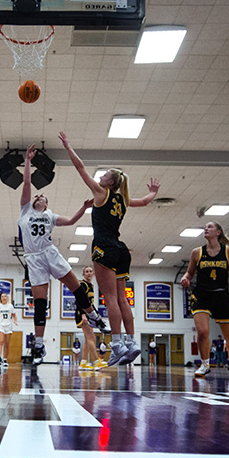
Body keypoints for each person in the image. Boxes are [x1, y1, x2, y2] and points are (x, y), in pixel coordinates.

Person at [58, 131, 160, 365]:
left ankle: (116, 345)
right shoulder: (123, 200)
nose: (100, 176)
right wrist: (153, 193)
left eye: (104, 175)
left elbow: (81, 168)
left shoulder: (101, 194)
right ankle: (131, 342)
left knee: (110, 299)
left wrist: (68, 146)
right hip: (121, 250)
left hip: (104, 246)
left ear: (110, 182)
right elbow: (143, 201)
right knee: (123, 299)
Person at [15, 145, 106, 365]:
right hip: (33, 257)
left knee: (76, 287)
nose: (38, 197)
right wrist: (27, 161)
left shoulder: (50, 216)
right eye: (36, 197)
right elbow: (27, 184)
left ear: (46, 205)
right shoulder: (25, 211)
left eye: (42, 198)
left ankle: (93, 315)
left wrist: (84, 207)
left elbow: (72, 221)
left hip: (49, 252)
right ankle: (38, 344)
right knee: (39, 303)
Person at [181, 221, 229, 379]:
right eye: (205, 227)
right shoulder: (197, 252)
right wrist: (185, 279)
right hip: (202, 295)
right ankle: (205, 365)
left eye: (210, 227)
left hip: (221, 295)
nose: (206, 229)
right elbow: (189, 273)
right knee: (203, 331)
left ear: (218, 232)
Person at [75, 266, 101, 370]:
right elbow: (79, 300)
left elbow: (90, 303)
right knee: (91, 337)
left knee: (87, 338)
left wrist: (96, 314)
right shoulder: (82, 284)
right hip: (82, 314)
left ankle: (83, 362)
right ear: (83, 274)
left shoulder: (92, 286)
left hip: (89, 314)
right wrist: (83, 314)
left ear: (93, 274)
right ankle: (96, 361)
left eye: (90, 271)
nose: (89, 273)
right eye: (86, 271)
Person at [0, 292, 17, 370]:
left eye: (5, 296)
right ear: (0, 298)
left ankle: (5, 359)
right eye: (2, 296)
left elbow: (14, 315)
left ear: (7, 297)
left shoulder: (10, 306)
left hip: (8, 326)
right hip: (1, 325)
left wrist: (15, 321)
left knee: (7, 344)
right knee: (1, 341)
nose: (4, 297)